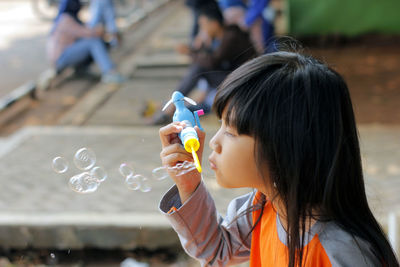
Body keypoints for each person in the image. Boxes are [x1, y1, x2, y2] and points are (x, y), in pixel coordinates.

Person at [158, 50, 399, 266]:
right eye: (220, 124)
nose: (213, 142)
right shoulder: (264, 206)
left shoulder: (340, 253)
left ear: (284, 145)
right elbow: (217, 250)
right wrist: (189, 185)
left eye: (231, 131)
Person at [149, 4, 257, 124]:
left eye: (203, 25)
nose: (202, 30)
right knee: (200, 107)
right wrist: (197, 50)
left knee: (199, 68)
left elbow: (212, 62)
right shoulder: (222, 37)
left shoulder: (231, 36)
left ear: (214, 24)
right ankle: (173, 108)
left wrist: (190, 52)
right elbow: (213, 59)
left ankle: (171, 107)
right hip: (229, 82)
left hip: (242, 82)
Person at [47, 0, 124, 84]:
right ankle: (110, 73)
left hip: (66, 54)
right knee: (94, 42)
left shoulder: (69, 18)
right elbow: (87, 33)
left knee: (95, 42)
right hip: (61, 59)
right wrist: (100, 32)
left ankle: (80, 70)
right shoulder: (66, 19)